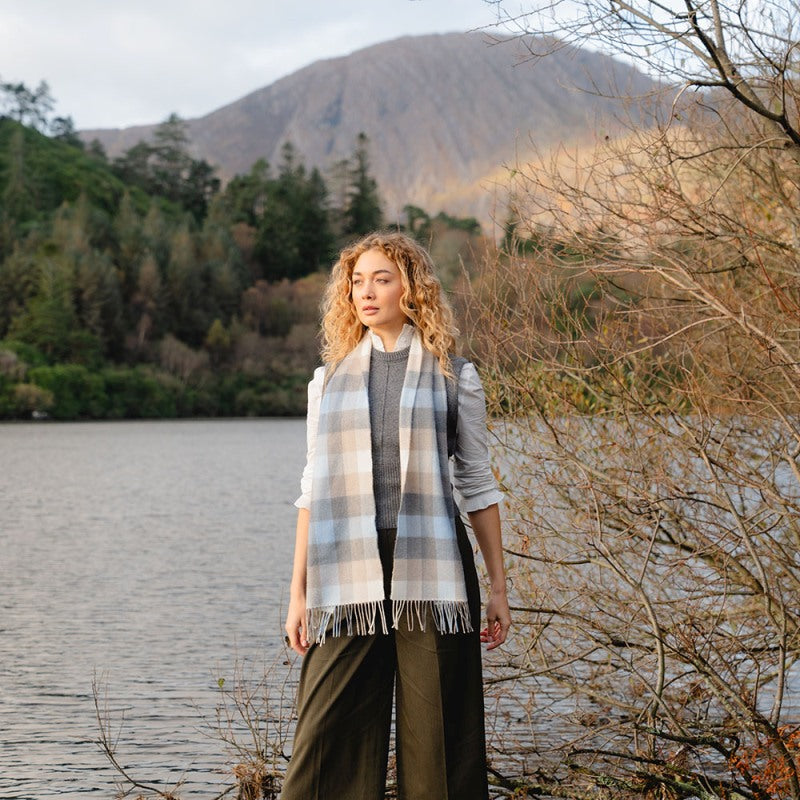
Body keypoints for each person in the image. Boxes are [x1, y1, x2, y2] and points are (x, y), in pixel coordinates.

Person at [282, 231, 511, 800]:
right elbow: (312, 490)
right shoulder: (328, 381)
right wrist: (297, 594)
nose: (366, 292)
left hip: (433, 564)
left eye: (381, 279)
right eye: (357, 281)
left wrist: (498, 588)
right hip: (345, 566)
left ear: (412, 288)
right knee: (325, 733)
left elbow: (477, 483)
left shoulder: (455, 375)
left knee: (439, 736)